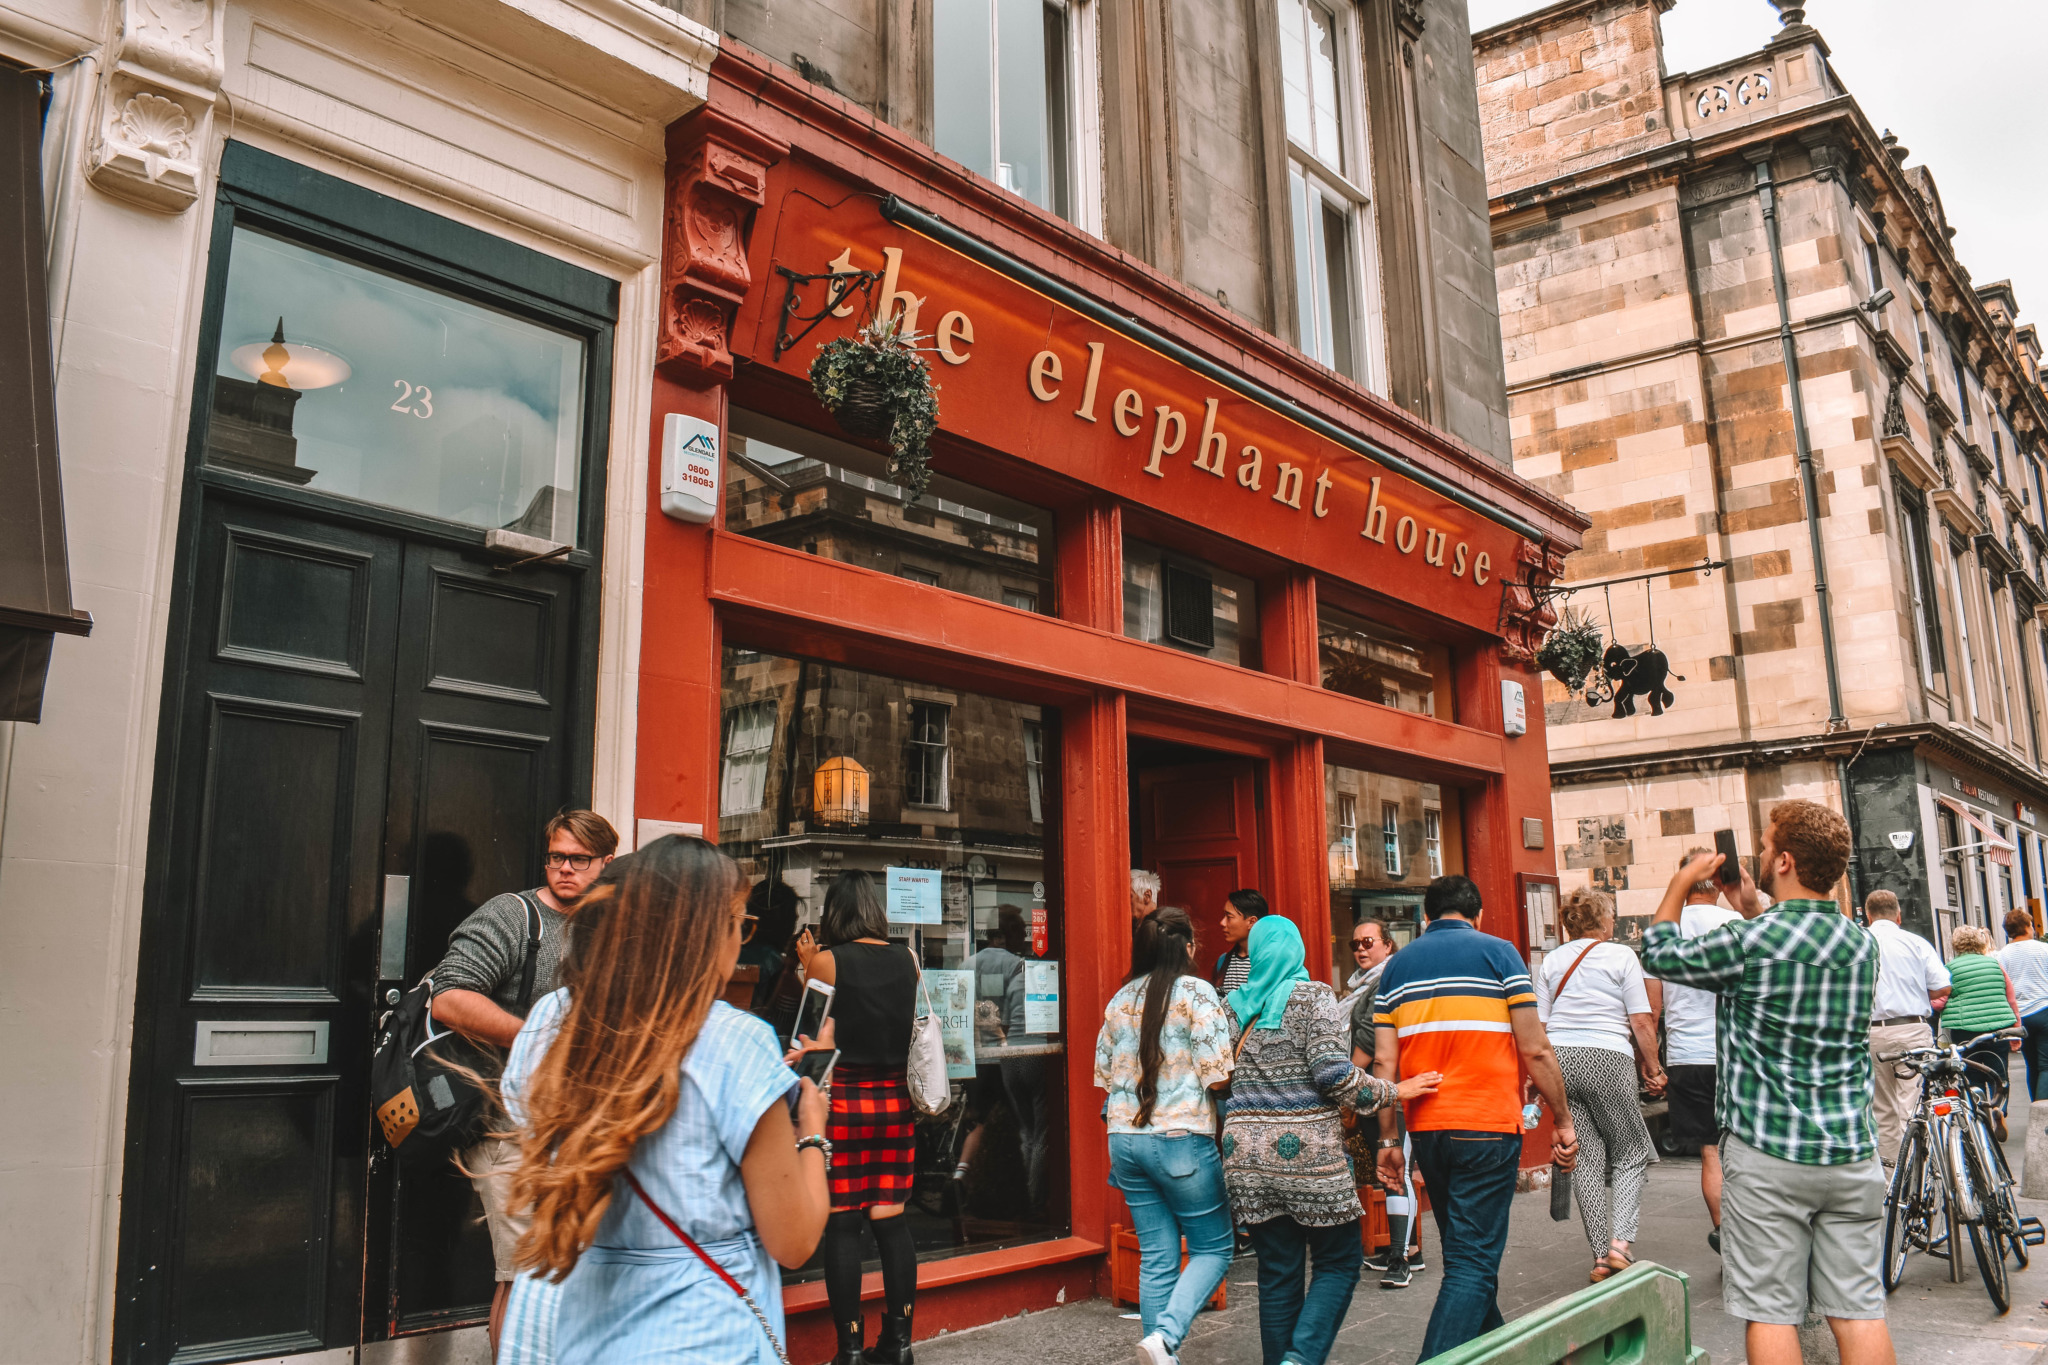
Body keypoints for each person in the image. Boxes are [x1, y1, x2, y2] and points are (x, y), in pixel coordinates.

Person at [504, 835, 832, 1364]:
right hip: (700, 1331)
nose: (741, 942)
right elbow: (793, 1240)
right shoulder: (736, 1041)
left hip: (571, 1321)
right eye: (740, 925)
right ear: (705, 931)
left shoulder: (552, 1019)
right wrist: (812, 1131)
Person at [1643, 801, 1893, 1365]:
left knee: (1771, 1311)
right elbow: (1791, 939)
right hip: (1852, 1153)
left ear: (1783, 860)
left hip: (1769, 1152)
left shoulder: (1749, 942)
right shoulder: (1862, 945)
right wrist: (1750, 905)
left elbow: (1658, 952)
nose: (1755, 852)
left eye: (1764, 844)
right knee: (1859, 1310)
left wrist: (1682, 882)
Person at [430, 809, 618, 1352]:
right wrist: (543, 1035)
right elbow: (450, 996)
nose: (564, 869)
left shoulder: (608, 925)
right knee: (523, 1277)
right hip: (508, 1129)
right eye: (556, 857)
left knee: (565, 1279)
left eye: (579, 860)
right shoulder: (513, 916)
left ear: (607, 863)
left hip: (580, 1131)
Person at [1373, 875, 1576, 1361]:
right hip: (1487, 1124)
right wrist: (1564, 1118)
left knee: (1467, 1256)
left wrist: (1387, 1140)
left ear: (1427, 917)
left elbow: (1384, 1065)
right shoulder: (1501, 953)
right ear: (1477, 914)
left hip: (1427, 1129)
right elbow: (1536, 1048)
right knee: (1473, 1264)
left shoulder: (1395, 968)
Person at [1227, 914, 1439, 1365]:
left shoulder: (1236, 1005)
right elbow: (1332, 1073)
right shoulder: (1314, 996)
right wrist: (1394, 1090)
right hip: (1308, 1155)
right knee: (1339, 1262)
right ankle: (1300, 1359)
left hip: (1243, 1157)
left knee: (1278, 1272)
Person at [1094, 907, 1237, 1365]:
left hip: (1125, 1139)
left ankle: (1159, 1354)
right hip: (1182, 1139)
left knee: (1157, 1255)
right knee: (1213, 1247)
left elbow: (1104, 1074)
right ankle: (1167, 1337)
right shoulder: (1198, 993)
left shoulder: (1119, 1000)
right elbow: (1218, 1078)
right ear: (1187, 947)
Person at [805, 871, 923, 1365]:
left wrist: (803, 968)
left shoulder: (827, 960)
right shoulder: (909, 959)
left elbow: (808, 1038)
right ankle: (899, 1344)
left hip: (845, 1103)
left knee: (843, 1225)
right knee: (891, 1222)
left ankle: (849, 1350)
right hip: (896, 1101)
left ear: (834, 912)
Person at [1535, 889, 1665, 1282]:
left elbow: (1539, 1028)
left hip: (1560, 1059)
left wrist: (1535, 1076)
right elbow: (1641, 1021)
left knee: (1586, 1158)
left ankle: (1598, 1257)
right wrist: (1654, 1067)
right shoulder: (1622, 956)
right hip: (1607, 1055)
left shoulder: (1551, 961)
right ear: (1605, 922)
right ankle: (1620, 1247)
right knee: (1630, 1152)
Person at [1654, 851, 1743, 1250]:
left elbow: (1652, 1006)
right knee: (1745, 1148)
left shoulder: (1666, 927)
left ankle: (1725, 1230)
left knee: (1711, 1153)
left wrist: (1651, 1061)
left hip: (1687, 1054)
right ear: (1719, 883)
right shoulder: (1736, 924)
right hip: (1736, 1053)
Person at [1345, 917, 1422, 1287]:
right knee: (1398, 1170)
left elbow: (1369, 1045)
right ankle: (1410, 1249)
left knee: (1396, 1172)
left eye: (1369, 942)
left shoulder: (1383, 984)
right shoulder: (1365, 985)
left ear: (1388, 945)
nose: (1361, 949)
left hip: (1391, 1090)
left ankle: (1399, 1259)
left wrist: (1346, 1090)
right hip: (1380, 1091)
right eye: (1355, 944)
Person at [1864, 890, 1950, 1165]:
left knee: (1883, 1110)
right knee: (1911, 1105)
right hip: (1912, 1030)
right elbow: (1943, 986)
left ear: (1868, 916)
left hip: (1871, 1033)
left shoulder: (1860, 943)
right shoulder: (1915, 943)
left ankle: (1893, 1182)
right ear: (1898, 916)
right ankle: (1917, 1173)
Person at [1944, 923, 2021, 1138]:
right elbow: (2011, 999)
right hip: (1998, 1026)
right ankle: (1999, 1108)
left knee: (1972, 1073)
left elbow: (1942, 998)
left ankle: (1982, 1113)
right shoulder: (1995, 966)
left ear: (1956, 944)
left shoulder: (1950, 969)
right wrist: (2015, 1030)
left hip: (1965, 1028)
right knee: (1999, 1071)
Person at [1999, 907, 2048, 1100]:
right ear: (2028, 927)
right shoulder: (2044, 949)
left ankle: (2037, 1108)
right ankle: (2042, 1114)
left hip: (2020, 1017)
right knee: (2046, 1065)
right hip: (2044, 1010)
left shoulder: (2002, 955)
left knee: (2032, 1065)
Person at [740, 876, 800, 1018]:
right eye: (792, 915)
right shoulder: (772, 961)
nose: (796, 918)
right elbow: (782, 1017)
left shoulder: (738, 951)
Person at [1213, 888, 1270, 997]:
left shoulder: (1268, 962)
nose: (1222, 922)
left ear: (1251, 922)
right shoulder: (1223, 961)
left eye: (1229, 917)